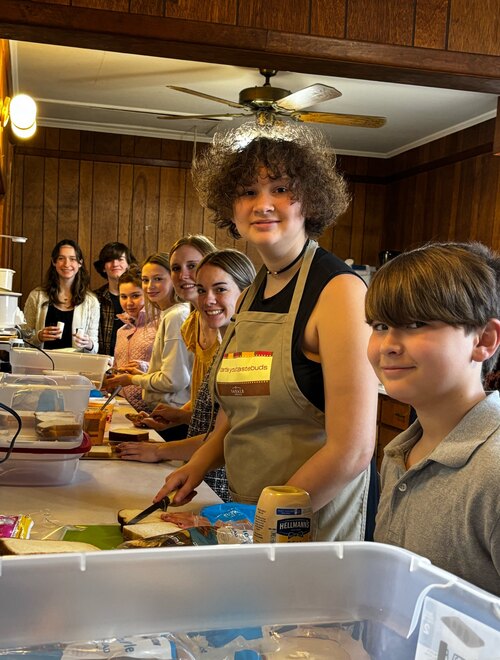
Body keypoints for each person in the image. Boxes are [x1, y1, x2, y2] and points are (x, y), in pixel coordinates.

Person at [153, 128, 379, 541]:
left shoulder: (339, 292)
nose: (262, 204)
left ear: (310, 200)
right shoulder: (254, 291)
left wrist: (259, 520)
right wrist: (197, 464)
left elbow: (353, 449)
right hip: (248, 518)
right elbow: (240, 410)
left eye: (280, 189)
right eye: (247, 192)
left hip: (309, 527)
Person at [365, 242, 500, 595]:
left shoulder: (493, 471)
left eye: (415, 323)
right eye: (380, 325)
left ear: (483, 340)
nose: (388, 345)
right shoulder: (399, 453)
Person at [116, 248, 256, 502]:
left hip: (229, 487)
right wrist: (179, 418)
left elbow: (231, 436)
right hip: (206, 475)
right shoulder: (227, 347)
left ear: (246, 292)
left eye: (220, 289)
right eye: (202, 290)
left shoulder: (250, 355)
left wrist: (160, 450)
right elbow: (219, 423)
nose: (208, 300)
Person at [105, 252, 193, 440]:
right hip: (168, 414)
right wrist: (140, 375)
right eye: (145, 280)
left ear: (174, 279)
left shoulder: (176, 316)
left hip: (177, 415)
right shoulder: (170, 314)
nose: (150, 286)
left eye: (158, 279)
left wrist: (133, 378)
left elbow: (174, 381)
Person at [23, 238, 99, 352]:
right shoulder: (37, 296)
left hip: (76, 362)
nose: (67, 264)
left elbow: (94, 348)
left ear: (80, 263)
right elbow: (23, 338)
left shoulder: (91, 301)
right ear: (54, 262)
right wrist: (38, 337)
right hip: (41, 361)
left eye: (72, 259)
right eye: (61, 258)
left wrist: (89, 344)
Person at [109, 266, 159, 413]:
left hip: (154, 408)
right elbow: (117, 369)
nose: (129, 303)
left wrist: (144, 367)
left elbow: (172, 371)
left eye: (135, 296)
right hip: (123, 407)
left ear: (148, 294)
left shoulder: (160, 325)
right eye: (123, 297)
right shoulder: (121, 331)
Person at [93, 241, 137, 356]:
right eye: (109, 260)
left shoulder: (140, 298)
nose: (115, 264)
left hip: (132, 361)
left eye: (120, 259)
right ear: (103, 267)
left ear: (128, 265)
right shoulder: (94, 298)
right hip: (101, 360)